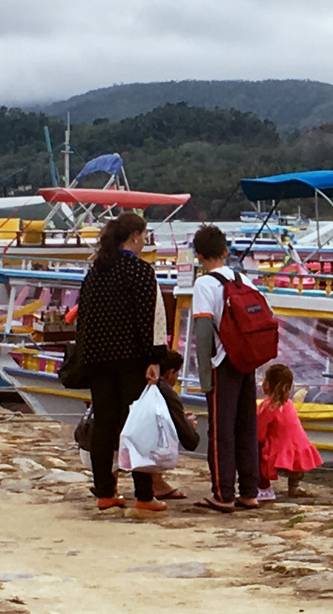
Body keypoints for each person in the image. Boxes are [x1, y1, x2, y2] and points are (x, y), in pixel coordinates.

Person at [66, 212, 166, 512]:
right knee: (137, 424)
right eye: (144, 235)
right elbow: (148, 320)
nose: (145, 240)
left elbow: (84, 318)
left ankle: (105, 491)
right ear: (135, 236)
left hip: (98, 357)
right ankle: (144, 495)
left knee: (105, 425)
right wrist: (155, 359)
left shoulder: (97, 270)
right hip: (131, 358)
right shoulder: (140, 271)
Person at [190, 223, 258, 512]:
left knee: (221, 430)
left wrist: (204, 373)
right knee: (246, 426)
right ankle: (250, 491)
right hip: (246, 359)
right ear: (225, 250)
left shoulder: (205, 284)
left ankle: (223, 493)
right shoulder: (244, 280)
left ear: (199, 255)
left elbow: (204, 331)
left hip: (221, 362)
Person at [256, 362, 322, 499]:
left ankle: (263, 487)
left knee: (256, 449)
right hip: (299, 447)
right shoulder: (289, 404)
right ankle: (294, 487)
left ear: (269, 383)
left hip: (280, 451)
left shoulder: (267, 406)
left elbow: (259, 434)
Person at [152, 346, 202, 496]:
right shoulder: (165, 391)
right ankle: (156, 482)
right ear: (170, 372)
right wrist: (188, 426)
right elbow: (190, 441)